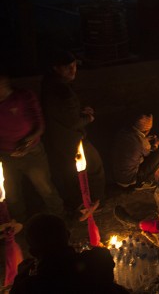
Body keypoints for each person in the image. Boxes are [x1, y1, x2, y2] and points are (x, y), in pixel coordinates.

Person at [41, 50, 105, 216]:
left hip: (59, 138)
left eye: (74, 66)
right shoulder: (61, 90)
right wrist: (88, 118)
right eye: (67, 67)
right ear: (56, 68)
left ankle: (78, 202)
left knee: (69, 172)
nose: (73, 70)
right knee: (94, 166)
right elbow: (72, 121)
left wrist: (81, 112)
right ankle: (94, 202)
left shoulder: (49, 83)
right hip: (71, 139)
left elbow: (65, 113)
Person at [0, 73, 63, 223]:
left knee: (45, 188)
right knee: (12, 194)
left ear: (6, 83)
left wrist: (27, 142)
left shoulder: (24, 96)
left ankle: (59, 220)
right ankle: (20, 226)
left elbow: (40, 124)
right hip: (5, 156)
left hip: (32, 153)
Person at [11, 214, 84, 293]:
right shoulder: (94, 262)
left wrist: (20, 276)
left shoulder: (29, 287)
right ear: (68, 235)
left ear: (32, 252)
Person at [111, 113, 159, 190]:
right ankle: (140, 183)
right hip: (129, 179)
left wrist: (145, 139)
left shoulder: (123, 133)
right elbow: (149, 152)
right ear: (147, 130)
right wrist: (156, 145)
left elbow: (134, 143)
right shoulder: (142, 142)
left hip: (117, 176)